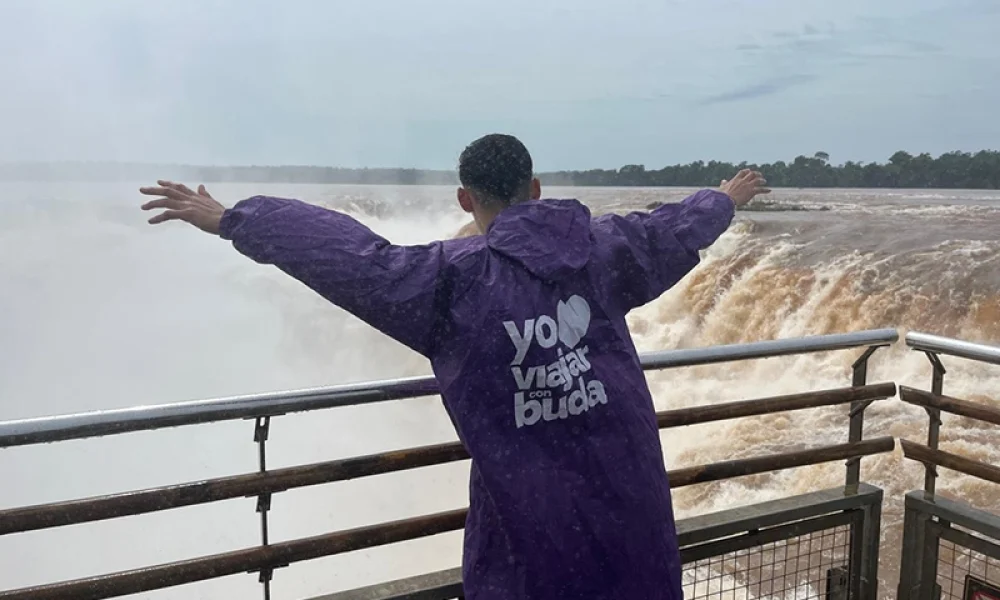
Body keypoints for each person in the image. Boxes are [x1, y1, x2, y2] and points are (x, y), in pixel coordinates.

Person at [139, 134, 769, 600]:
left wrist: (233, 220)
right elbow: (673, 228)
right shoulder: (605, 250)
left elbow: (351, 256)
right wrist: (725, 197)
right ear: (537, 189)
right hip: (628, 505)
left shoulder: (448, 283)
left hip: (532, 523)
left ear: (465, 198)